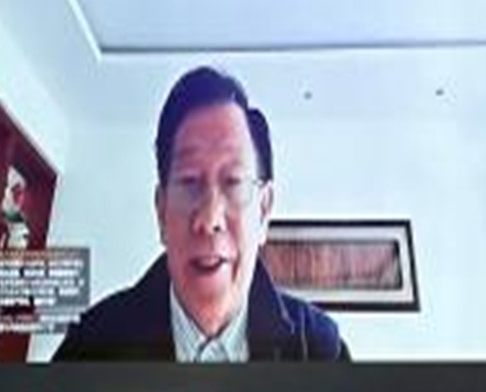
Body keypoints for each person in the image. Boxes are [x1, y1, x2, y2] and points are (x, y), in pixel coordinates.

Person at [54, 67, 350, 362]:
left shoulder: (321, 352)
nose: (209, 219)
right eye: (189, 182)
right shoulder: (90, 347)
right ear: (161, 211)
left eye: (233, 182)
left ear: (263, 210)